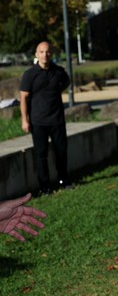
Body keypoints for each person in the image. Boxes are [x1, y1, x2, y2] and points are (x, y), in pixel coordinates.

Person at [20, 41, 72, 195]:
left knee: (61, 152)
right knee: (41, 155)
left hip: (57, 120)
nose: (45, 55)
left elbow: (65, 83)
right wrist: (25, 120)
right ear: (37, 54)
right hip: (38, 122)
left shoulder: (59, 72)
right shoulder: (29, 75)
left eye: (47, 52)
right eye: (41, 52)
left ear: (51, 54)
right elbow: (23, 98)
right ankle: (45, 187)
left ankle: (64, 180)